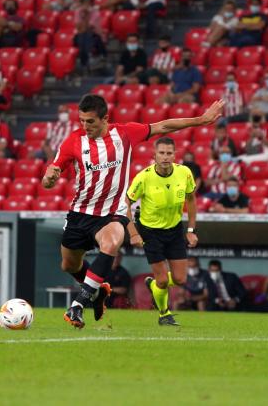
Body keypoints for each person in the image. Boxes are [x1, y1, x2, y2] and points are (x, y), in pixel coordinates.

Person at [42, 94, 223, 328]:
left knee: (111, 243)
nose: (85, 127)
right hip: (80, 213)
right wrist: (49, 178)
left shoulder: (125, 133)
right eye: (82, 121)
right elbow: (50, 175)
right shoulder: (73, 142)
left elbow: (164, 125)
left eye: (90, 122)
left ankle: (78, 305)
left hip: (111, 213)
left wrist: (201, 120)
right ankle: (98, 292)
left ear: (105, 119)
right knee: (69, 265)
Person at [126, 136, 198, 325]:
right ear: (154, 155)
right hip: (150, 231)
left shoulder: (184, 173)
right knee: (164, 282)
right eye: (162, 153)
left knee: (180, 279)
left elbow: (191, 200)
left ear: (175, 155)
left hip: (174, 229)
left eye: (169, 153)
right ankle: (164, 313)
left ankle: (153, 283)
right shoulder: (144, 177)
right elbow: (124, 204)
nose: (165, 157)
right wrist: (133, 232)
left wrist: (191, 229)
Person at [73, 0, 106, 72]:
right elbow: (78, 28)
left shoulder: (95, 12)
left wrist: (86, 15)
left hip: (96, 36)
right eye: (84, 3)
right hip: (83, 35)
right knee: (81, 37)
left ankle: (85, 62)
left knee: (87, 36)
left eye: (88, 3)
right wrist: (83, 17)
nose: (86, 5)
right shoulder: (78, 12)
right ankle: (85, 61)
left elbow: (89, 28)